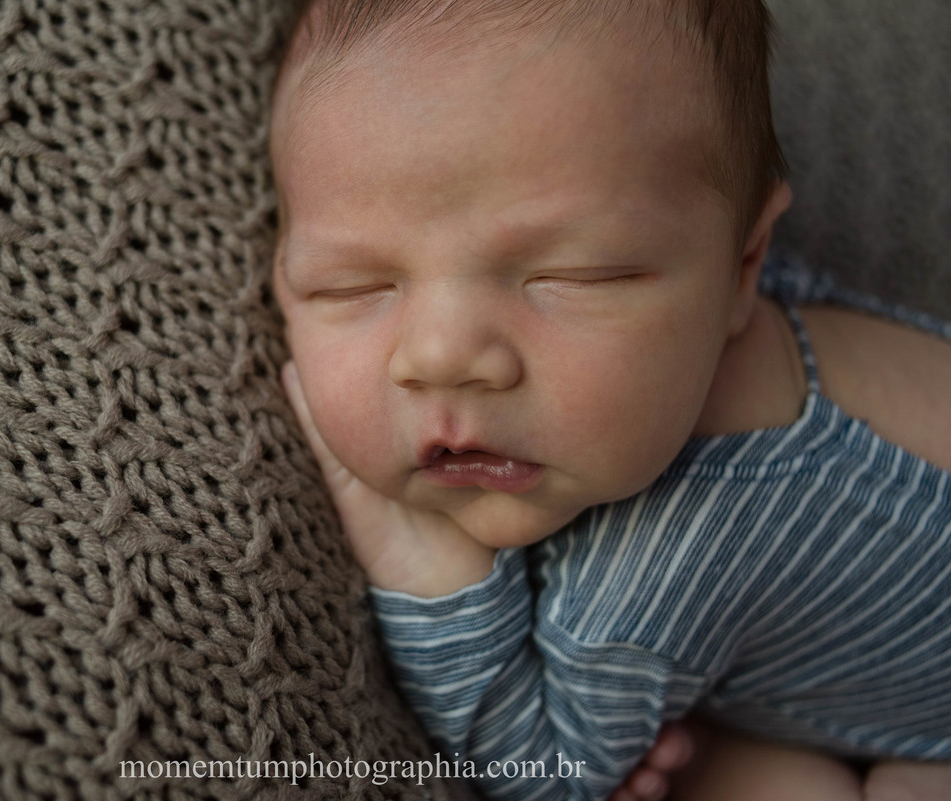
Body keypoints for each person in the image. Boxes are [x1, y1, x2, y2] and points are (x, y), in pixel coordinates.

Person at [270, 0, 951, 799]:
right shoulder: (711, 310)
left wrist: (423, 564)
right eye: (352, 285)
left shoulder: (653, 568)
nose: (441, 355)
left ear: (745, 262)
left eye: (574, 275)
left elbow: (548, 774)